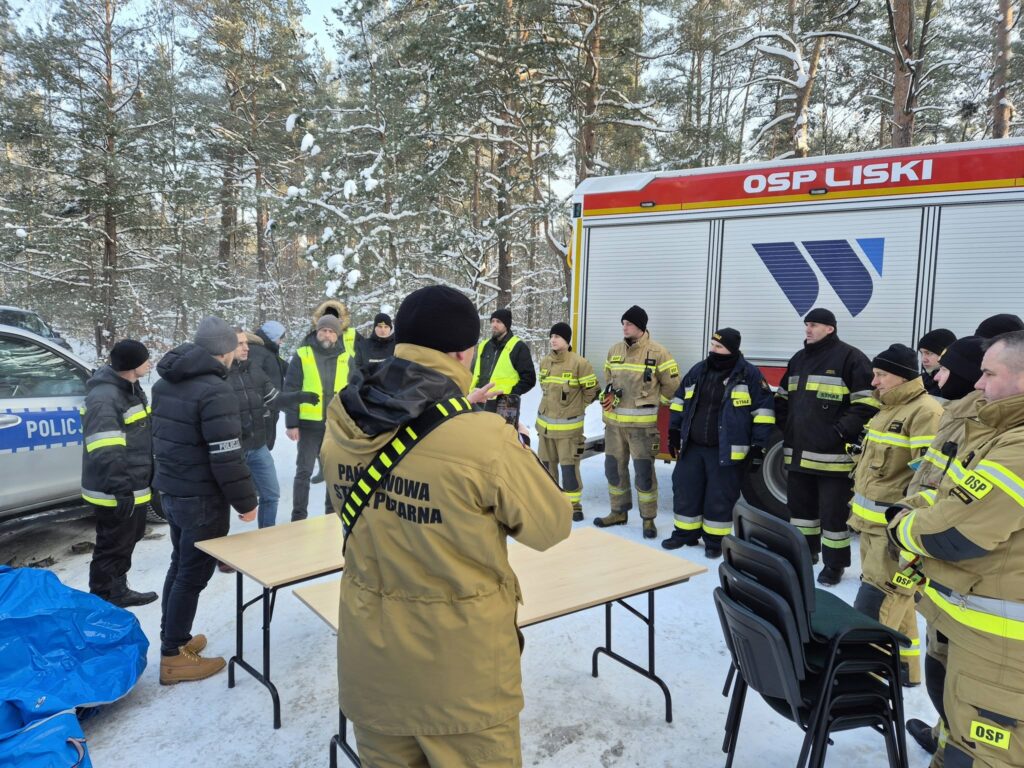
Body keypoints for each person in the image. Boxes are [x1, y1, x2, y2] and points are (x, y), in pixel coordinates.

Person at [322, 285, 570, 767]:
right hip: (462, 679)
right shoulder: (483, 440)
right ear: (463, 352)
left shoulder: (344, 416)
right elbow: (551, 525)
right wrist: (517, 453)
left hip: (371, 666)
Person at [888, 330, 1024, 768]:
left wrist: (901, 528)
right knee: (956, 729)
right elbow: (946, 493)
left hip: (1003, 647)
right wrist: (919, 509)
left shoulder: (1017, 447)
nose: (979, 384)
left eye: (989, 373)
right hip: (973, 624)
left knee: (983, 754)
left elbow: (954, 532)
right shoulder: (997, 430)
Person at [152, 316, 257, 684]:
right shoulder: (214, 390)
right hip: (200, 497)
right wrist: (246, 501)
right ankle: (172, 656)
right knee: (192, 575)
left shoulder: (166, 382)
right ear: (226, 351)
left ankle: (176, 639)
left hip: (173, 490)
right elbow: (226, 455)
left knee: (179, 566)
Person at [900, 335, 986, 763]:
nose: (934, 374)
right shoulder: (958, 413)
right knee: (944, 670)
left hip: (971, 585)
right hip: (938, 571)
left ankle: (951, 742)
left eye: (944, 368)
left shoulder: (986, 427)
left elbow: (963, 512)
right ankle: (943, 733)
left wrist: (906, 529)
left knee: (968, 692)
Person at [847, 343, 942, 687]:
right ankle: (906, 671)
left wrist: (908, 533)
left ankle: (866, 678)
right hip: (869, 528)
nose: (874, 382)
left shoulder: (925, 412)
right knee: (898, 605)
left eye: (880, 375)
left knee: (879, 605)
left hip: (893, 536)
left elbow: (929, 481)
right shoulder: (886, 409)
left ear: (901, 377)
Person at [774, 307, 877, 586]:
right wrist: (788, 428)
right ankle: (806, 556)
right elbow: (782, 399)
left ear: (830, 328)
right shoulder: (798, 359)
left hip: (833, 460)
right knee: (801, 514)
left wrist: (839, 431)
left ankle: (835, 565)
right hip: (798, 456)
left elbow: (867, 403)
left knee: (834, 518)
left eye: (815, 324)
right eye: (807, 324)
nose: (808, 328)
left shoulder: (850, 358)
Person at [662, 328, 775, 558]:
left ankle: (715, 541)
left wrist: (758, 447)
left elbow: (763, 413)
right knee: (685, 489)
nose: (713, 350)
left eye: (719, 347)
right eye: (712, 345)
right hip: (693, 446)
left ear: (731, 350)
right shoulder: (698, 370)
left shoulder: (749, 375)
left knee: (720, 495)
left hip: (726, 450)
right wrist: (674, 430)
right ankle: (684, 533)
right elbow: (679, 400)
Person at [81, 339, 158, 607]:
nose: (150, 363)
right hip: (114, 490)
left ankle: (117, 589)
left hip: (132, 485)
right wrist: (120, 489)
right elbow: (105, 449)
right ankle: (103, 599)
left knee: (126, 540)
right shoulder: (105, 398)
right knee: (112, 545)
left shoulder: (130, 389)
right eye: (146, 359)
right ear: (132, 365)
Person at [594, 305, 680, 539]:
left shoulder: (658, 353)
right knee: (614, 469)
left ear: (640, 326)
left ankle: (648, 520)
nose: (625, 327)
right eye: (623, 324)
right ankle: (617, 512)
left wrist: (654, 403)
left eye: (629, 324)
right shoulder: (614, 350)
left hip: (642, 429)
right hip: (613, 427)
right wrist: (607, 397)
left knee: (644, 473)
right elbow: (608, 379)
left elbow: (672, 386)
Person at [229, 329, 317, 529]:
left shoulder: (253, 370)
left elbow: (274, 398)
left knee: (271, 494)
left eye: (246, 343)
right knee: (222, 502)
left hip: (258, 446)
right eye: (240, 344)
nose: (246, 348)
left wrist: (299, 396)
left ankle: (267, 536)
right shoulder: (218, 377)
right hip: (233, 450)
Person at [283, 311, 359, 521]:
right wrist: (291, 423)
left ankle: (330, 514)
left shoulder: (346, 358)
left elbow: (353, 392)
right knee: (304, 471)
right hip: (309, 425)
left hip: (335, 425)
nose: (327, 335)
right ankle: (298, 516)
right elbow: (291, 389)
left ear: (337, 335)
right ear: (317, 332)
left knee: (333, 472)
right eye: (323, 331)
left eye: (331, 332)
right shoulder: (303, 354)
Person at [535, 322, 599, 521]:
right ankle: (552, 503)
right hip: (545, 429)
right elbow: (545, 389)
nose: (553, 340)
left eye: (558, 336)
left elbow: (592, 391)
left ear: (567, 340)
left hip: (569, 431)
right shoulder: (545, 362)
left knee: (569, 468)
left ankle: (574, 506)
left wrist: (575, 407)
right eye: (552, 336)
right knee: (546, 468)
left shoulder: (580, 363)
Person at [470, 308, 536, 412]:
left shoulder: (518, 347)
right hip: (478, 402)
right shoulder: (484, 346)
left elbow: (529, 379)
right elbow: (473, 372)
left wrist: (510, 395)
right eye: (492, 321)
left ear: (507, 325)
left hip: (504, 405)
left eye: (498, 322)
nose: (494, 325)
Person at [250, 320, 288, 450]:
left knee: (268, 442)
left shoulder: (269, 351)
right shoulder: (257, 352)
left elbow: (282, 366)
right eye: (280, 338)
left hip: (271, 406)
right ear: (272, 337)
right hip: (264, 408)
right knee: (263, 445)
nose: (282, 342)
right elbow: (253, 379)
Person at [917, 329, 956, 397]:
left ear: (944, 354)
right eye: (921, 353)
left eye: (928, 353)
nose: (923, 359)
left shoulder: (956, 387)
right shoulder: (918, 381)